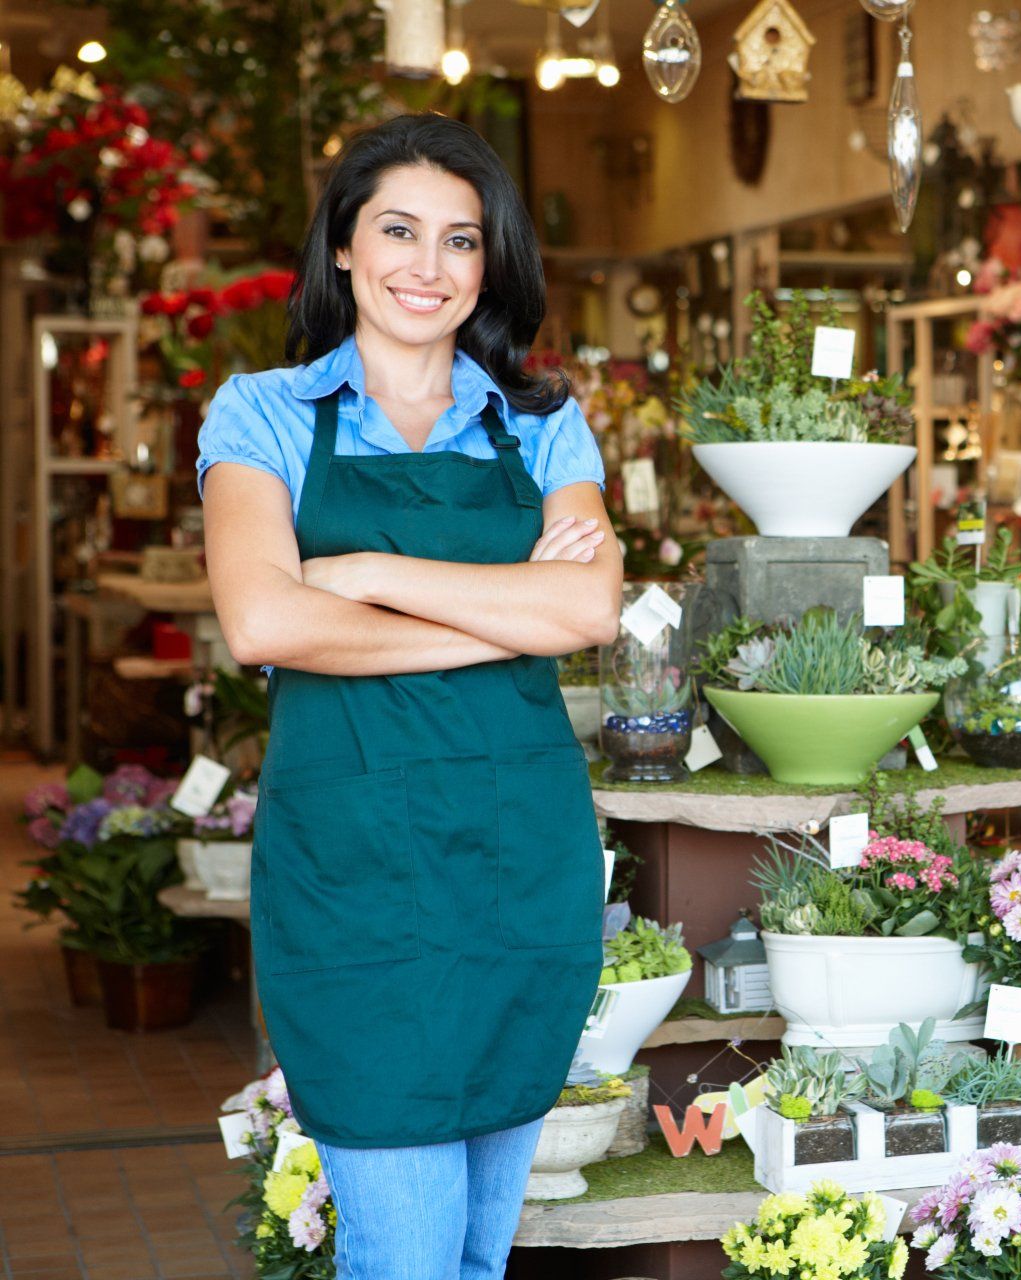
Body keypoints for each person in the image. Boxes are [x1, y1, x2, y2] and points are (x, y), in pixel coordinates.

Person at [198, 113, 621, 1279]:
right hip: (354, 889)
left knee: (477, 1258)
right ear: (341, 244)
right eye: (397, 231)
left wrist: (372, 576)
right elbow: (266, 620)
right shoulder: (263, 414)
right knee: (411, 1256)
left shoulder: (541, 423)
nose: (426, 268)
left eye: (460, 241)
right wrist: (498, 615)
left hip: (517, 872)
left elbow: (585, 613)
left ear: (491, 263)